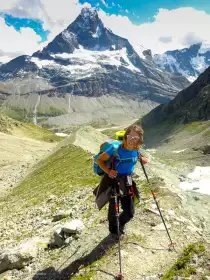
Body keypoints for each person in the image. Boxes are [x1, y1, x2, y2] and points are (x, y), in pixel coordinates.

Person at [95, 124, 148, 236]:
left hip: (127, 181)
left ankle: (120, 222)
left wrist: (142, 160)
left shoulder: (136, 150)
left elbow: (135, 159)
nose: (132, 140)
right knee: (114, 209)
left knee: (130, 212)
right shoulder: (115, 149)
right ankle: (113, 230)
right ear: (125, 136)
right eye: (130, 137)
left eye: (136, 138)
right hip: (112, 181)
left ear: (139, 139)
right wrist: (109, 171)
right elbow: (99, 160)